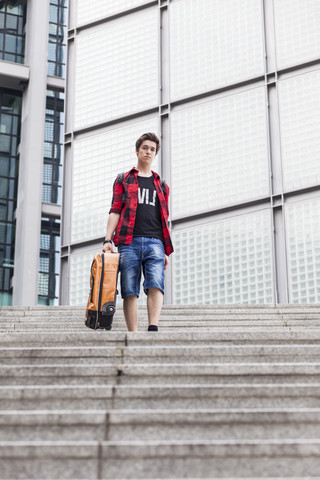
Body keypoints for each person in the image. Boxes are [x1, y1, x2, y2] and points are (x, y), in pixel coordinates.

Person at [102, 132, 174, 332]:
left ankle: (153, 328)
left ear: (155, 154)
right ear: (137, 150)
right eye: (145, 148)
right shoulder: (123, 179)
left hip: (155, 241)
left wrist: (165, 250)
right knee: (129, 289)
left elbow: (163, 219)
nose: (148, 151)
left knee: (156, 284)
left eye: (152, 149)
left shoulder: (162, 185)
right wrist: (108, 239)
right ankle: (133, 334)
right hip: (128, 241)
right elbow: (115, 210)